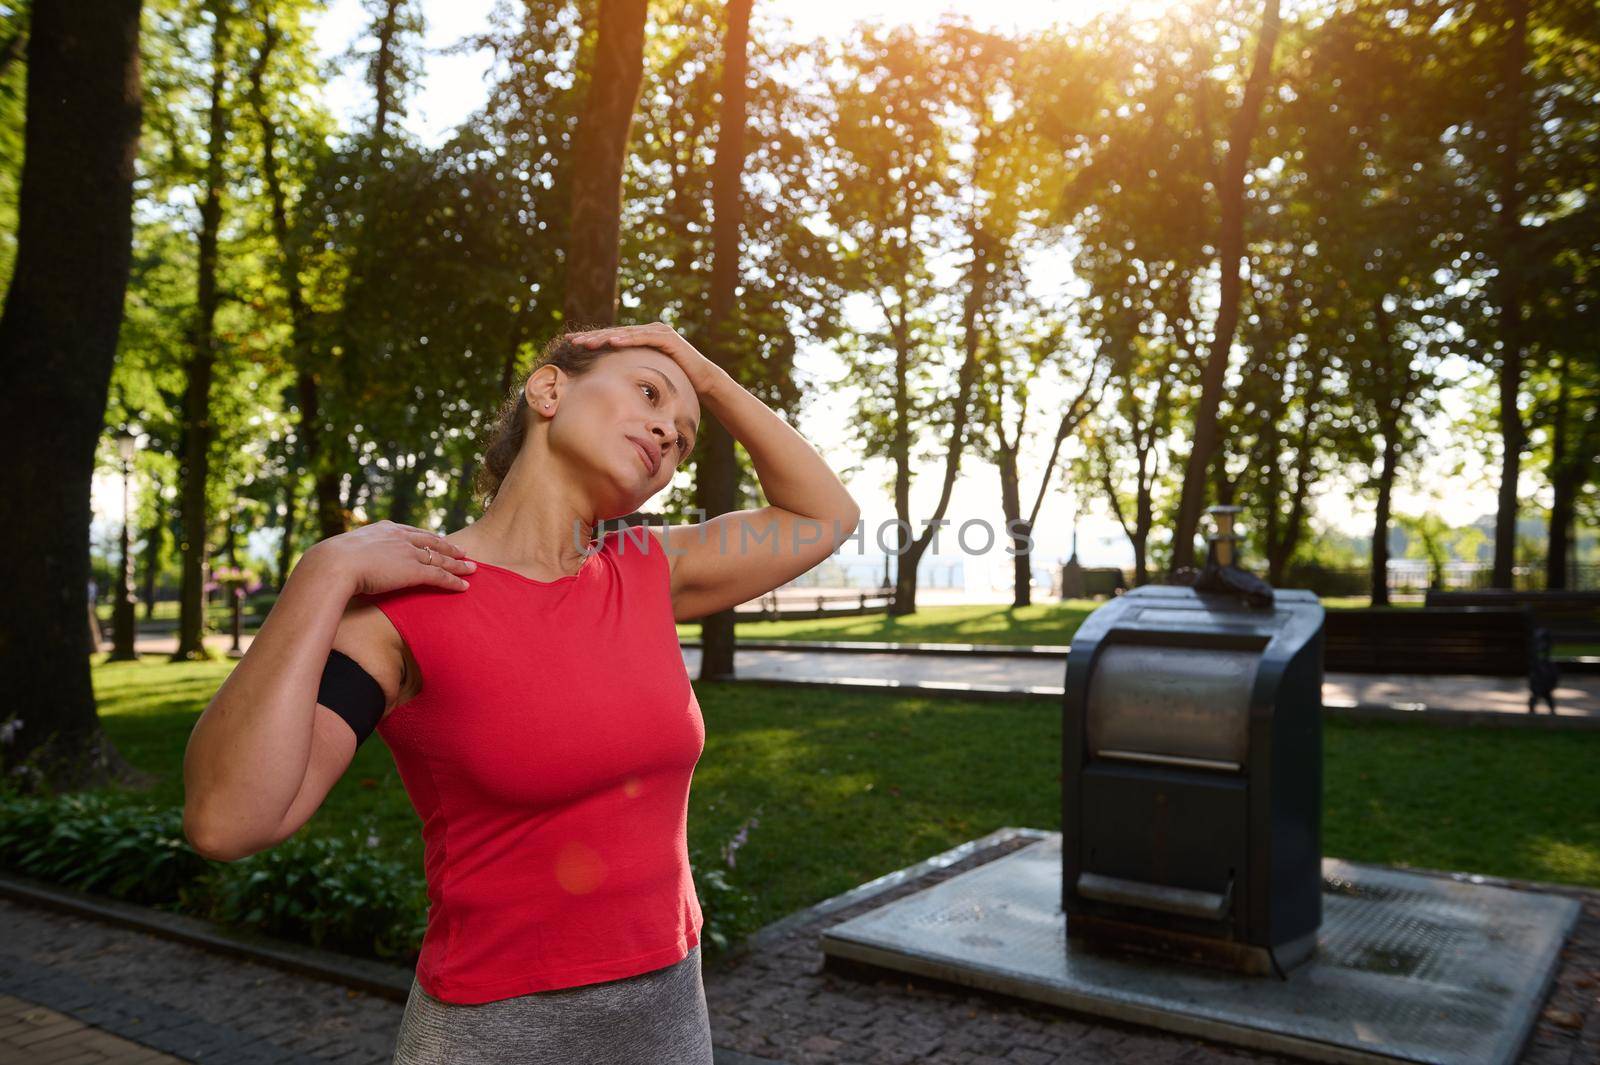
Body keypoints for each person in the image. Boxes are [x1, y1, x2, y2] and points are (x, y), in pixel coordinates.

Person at [181, 322, 860, 1064]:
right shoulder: (406, 609)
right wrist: (323, 572)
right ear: (549, 389)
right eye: (647, 392)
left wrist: (709, 377)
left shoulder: (650, 566)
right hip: (494, 1033)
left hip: (667, 1021)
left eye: (685, 436)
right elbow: (229, 821)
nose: (668, 429)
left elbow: (824, 517)